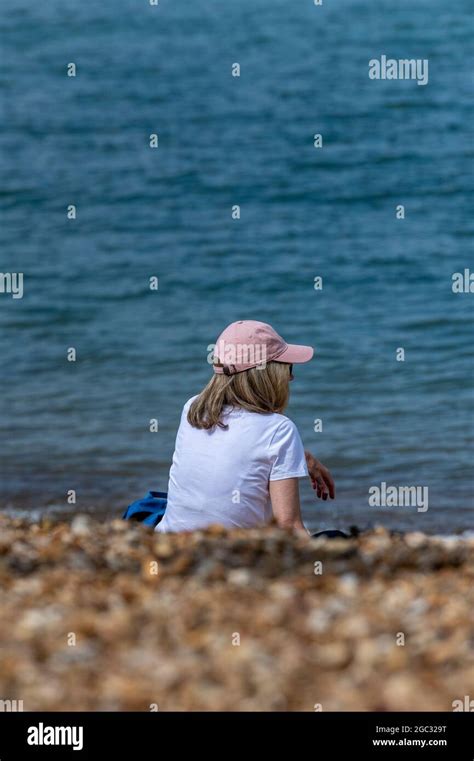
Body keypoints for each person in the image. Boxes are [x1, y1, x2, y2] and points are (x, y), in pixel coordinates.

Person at [156, 320, 336, 535]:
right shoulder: (279, 430)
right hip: (235, 553)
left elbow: (231, 449)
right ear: (267, 374)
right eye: (287, 367)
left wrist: (299, 457)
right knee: (335, 538)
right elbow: (288, 527)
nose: (291, 376)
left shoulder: (192, 409)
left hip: (170, 540)